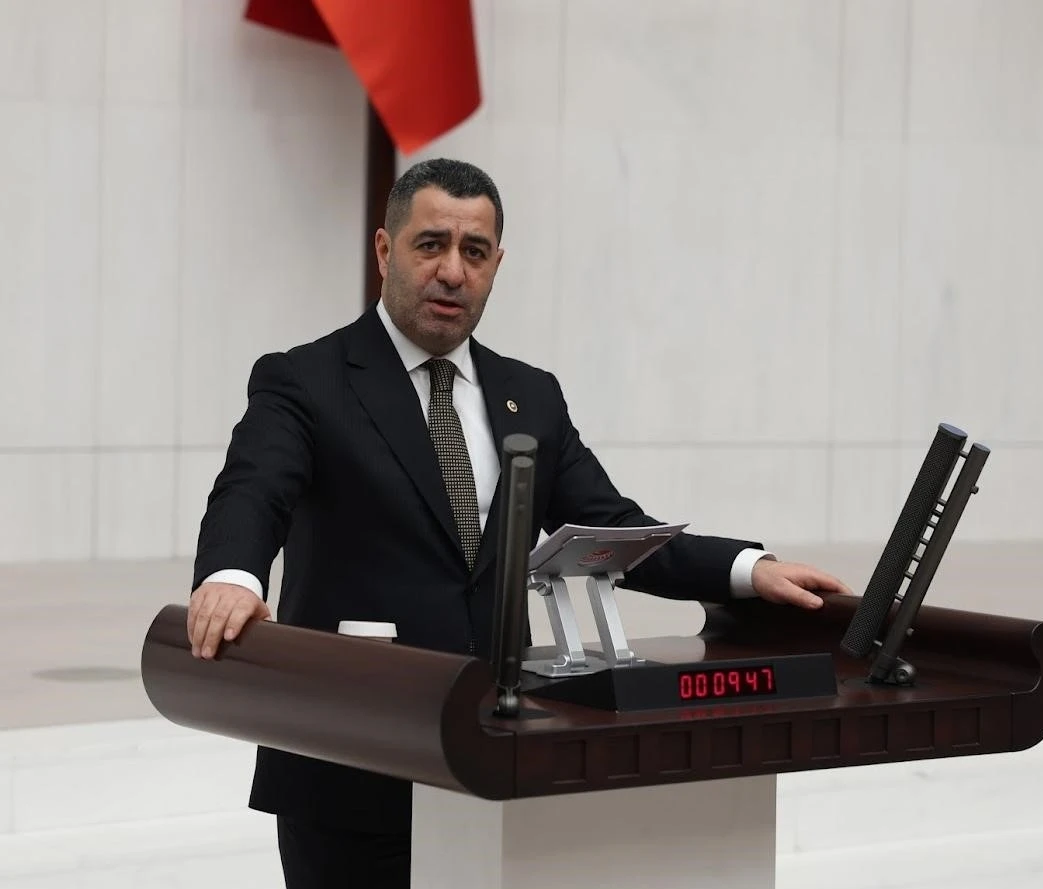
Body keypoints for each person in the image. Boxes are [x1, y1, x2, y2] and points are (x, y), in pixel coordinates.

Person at [186, 158, 852, 888]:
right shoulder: (305, 379)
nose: (452, 271)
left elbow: (609, 525)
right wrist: (232, 576)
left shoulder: (529, 395)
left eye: (474, 252)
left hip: (494, 759)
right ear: (384, 250)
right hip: (351, 767)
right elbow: (252, 491)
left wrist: (747, 570)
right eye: (431, 244)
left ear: (496, 265)